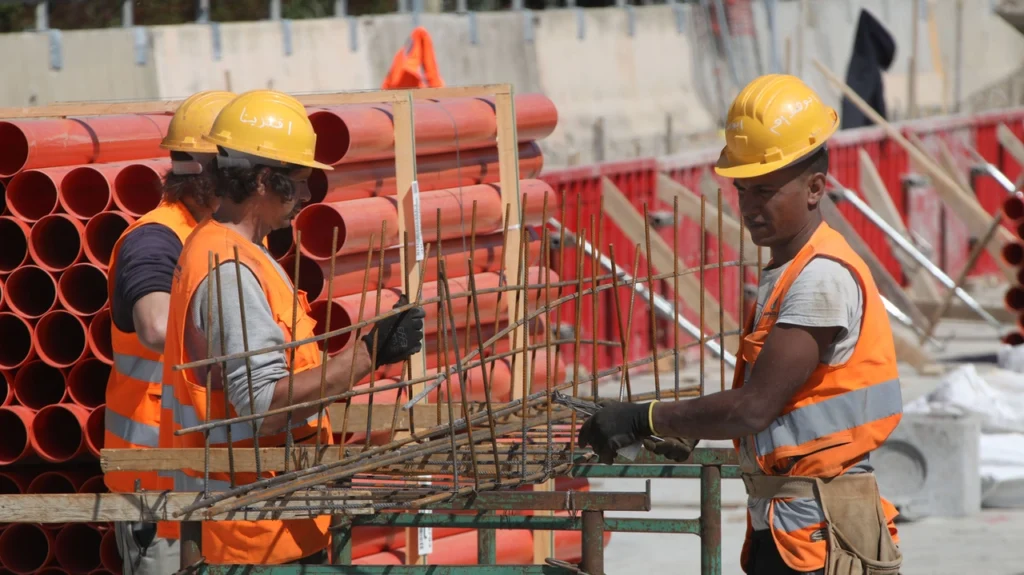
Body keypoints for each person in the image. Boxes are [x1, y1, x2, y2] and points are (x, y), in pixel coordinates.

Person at [577, 74, 904, 575]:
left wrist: (643, 417)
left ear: (815, 188)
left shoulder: (820, 280)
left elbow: (755, 408)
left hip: (819, 536)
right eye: (742, 190)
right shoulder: (790, 270)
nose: (750, 206)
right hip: (792, 524)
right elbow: (782, 412)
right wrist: (691, 423)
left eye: (766, 191)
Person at [160, 89, 425, 565]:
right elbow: (262, 406)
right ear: (264, 180)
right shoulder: (230, 270)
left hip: (271, 515)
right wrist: (366, 354)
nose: (307, 195)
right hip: (257, 531)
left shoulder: (236, 250)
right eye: (299, 183)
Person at [104, 89, 235, 575]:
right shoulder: (156, 239)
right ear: (204, 172)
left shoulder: (212, 238)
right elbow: (157, 326)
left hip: (203, 479)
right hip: (157, 493)